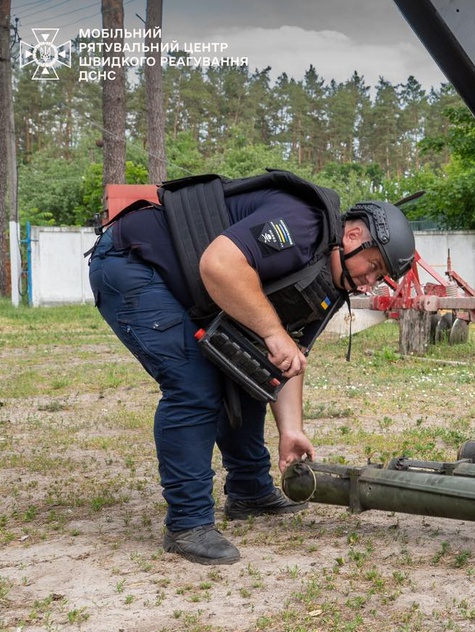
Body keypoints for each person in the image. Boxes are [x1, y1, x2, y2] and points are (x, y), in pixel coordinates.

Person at [88, 170, 415, 565]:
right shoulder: (304, 224)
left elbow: (286, 356)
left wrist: (291, 430)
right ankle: (188, 523)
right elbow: (219, 264)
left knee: (250, 373)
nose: (370, 283)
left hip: (180, 283)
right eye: (374, 267)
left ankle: (249, 490)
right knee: (194, 384)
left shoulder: (332, 283)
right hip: (133, 261)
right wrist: (274, 333)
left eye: (380, 278)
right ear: (353, 237)